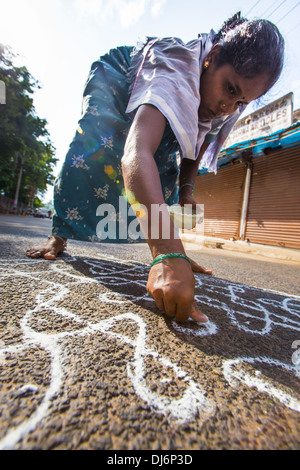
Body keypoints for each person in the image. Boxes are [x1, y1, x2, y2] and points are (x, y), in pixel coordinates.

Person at [26, 12, 284, 323]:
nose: (228, 107)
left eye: (242, 101)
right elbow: (136, 153)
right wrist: (167, 252)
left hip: (160, 99)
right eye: (230, 90)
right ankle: (60, 233)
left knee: (163, 167)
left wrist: (187, 189)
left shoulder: (227, 102)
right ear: (212, 58)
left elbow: (193, 147)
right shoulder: (175, 68)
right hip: (119, 78)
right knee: (97, 147)